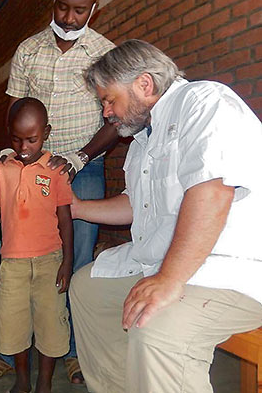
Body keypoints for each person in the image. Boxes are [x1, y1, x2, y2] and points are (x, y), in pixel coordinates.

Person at [69, 39, 262, 392]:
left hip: (229, 270)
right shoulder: (144, 139)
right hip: (172, 264)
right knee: (88, 287)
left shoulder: (205, 103)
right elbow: (135, 204)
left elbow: (212, 190)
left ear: (144, 84)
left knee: (157, 330)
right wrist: (77, 209)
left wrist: (169, 280)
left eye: (109, 100)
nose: (107, 113)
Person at [0, 0, 118, 384]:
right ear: (53, 3)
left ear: (94, 8)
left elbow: (115, 119)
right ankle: (10, 350)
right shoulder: (28, 50)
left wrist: (80, 156)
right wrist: (11, 151)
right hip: (25, 168)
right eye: (63, 8)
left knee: (76, 260)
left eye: (80, 11)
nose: (70, 19)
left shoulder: (104, 53)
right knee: (14, 257)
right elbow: (15, 111)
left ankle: (70, 352)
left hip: (81, 168)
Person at [0, 97, 74, 393]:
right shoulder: (2, 169)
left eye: (32, 139)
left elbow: (65, 219)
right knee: (12, 323)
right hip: (12, 262)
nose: (24, 147)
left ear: (47, 133)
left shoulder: (56, 170)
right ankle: (23, 379)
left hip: (49, 261)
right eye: (17, 139)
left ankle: (44, 382)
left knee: (50, 324)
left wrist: (67, 262)